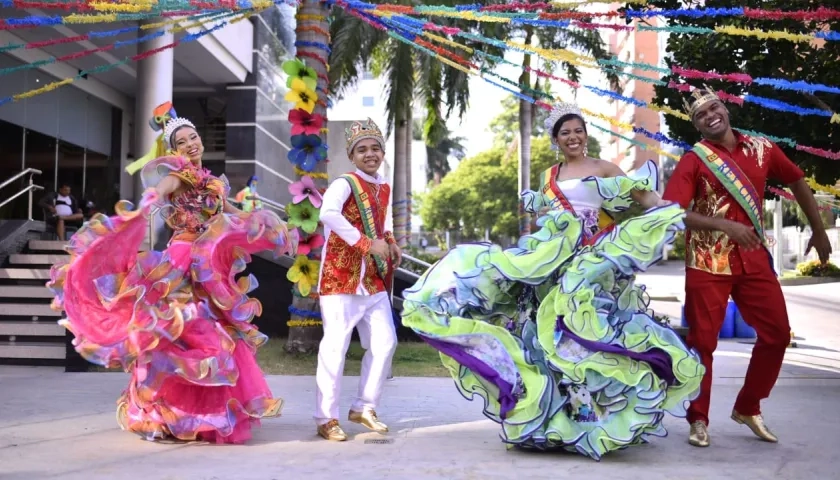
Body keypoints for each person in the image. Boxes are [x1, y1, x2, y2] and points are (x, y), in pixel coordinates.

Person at [401, 102, 705, 460]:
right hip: (552, 263)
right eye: (565, 133)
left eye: (577, 130)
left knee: (585, 336)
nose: (572, 137)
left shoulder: (605, 168)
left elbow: (647, 200)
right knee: (551, 340)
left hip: (591, 265)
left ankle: (592, 420)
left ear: (586, 134)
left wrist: (668, 213)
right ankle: (557, 421)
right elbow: (551, 219)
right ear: (556, 140)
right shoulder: (549, 177)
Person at [47, 102, 296, 444]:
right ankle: (161, 413)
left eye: (193, 137)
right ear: (174, 150)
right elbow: (163, 188)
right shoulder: (178, 173)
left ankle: (203, 416)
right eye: (182, 142)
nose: (191, 144)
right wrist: (147, 201)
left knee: (219, 334)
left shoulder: (212, 182)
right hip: (182, 263)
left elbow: (230, 212)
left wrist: (263, 223)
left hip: (211, 265)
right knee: (179, 333)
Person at [663, 87, 832, 448]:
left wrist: (819, 231)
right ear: (696, 125)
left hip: (753, 259)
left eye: (714, 108)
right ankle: (698, 418)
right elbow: (673, 212)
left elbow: (797, 179)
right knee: (702, 343)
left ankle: (748, 406)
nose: (710, 116)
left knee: (776, 334)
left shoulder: (762, 148)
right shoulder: (695, 160)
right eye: (701, 115)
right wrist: (725, 226)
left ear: (725, 108)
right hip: (708, 263)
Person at [314, 118, 401, 441]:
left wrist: (389, 241)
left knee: (385, 342)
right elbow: (328, 214)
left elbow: (383, 220)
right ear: (352, 155)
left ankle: (364, 406)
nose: (370, 154)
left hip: (372, 280)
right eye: (362, 149)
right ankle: (326, 417)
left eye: (375, 148)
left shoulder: (383, 185)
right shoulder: (344, 183)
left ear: (382, 152)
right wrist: (366, 243)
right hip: (341, 278)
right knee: (335, 348)